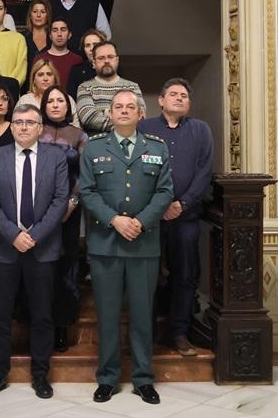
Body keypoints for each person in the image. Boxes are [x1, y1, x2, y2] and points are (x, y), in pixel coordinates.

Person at [79, 90, 173, 405]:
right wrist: (115, 220)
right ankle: (107, 379)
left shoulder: (157, 148)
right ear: (110, 114)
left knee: (143, 315)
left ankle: (144, 379)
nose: (123, 111)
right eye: (117, 107)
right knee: (107, 316)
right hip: (106, 244)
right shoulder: (93, 149)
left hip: (143, 244)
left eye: (129, 107)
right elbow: (88, 193)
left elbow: (164, 192)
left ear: (140, 114)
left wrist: (140, 222)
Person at [0, 104, 68, 400]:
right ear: (12, 126)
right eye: (18, 122)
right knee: (0, 316)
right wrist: (14, 235)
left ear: (40, 128)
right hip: (4, 248)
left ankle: (40, 374)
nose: (23, 127)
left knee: (42, 315)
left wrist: (34, 235)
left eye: (30, 122)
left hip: (42, 249)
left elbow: (60, 200)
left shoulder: (56, 157)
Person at [138, 78, 213, 356]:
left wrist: (182, 203)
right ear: (160, 100)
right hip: (150, 218)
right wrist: (158, 206)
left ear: (189, 103)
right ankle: (146, 334)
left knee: (185, 275)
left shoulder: (201, 131)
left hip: (186, 217)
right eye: (173, 94)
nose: (179, 98)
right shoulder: (144, 128)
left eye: (184, 95)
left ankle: (179, 332)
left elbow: (204, 172)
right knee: (147, 275)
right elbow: (136, 169)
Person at [38, 85, 88, 352]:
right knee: (39, 267)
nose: (56, 105)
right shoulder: (35, 130)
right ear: (43, 105)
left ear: (68, 106)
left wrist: (72, 201)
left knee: (65, 268)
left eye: (60, 100)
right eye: (50, 101)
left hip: (69, 210)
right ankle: (37, 323)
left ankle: (62, 327)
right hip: (37, 211)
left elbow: (85, 172)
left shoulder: (79, 134)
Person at [76, 41, 142, 136]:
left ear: (117, 60)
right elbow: (88, 117)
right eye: (101, 58)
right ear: (93, 63)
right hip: (97, 144)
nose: (106, 61)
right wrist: (122, 125)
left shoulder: (132, 87)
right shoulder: (84, 87)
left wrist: (104, 111)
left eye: (110, 57)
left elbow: (140, 115)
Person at [17, 58, 79, 127]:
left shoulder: (67, 99)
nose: (45, 79)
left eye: (49, 74)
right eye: (40, 75)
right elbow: (17, 127)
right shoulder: (25, 101)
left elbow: (76, 129)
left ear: (55, 78)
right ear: (33, 80)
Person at [32, 17, 83, 89]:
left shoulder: (77, 59)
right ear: (50, 35)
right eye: (55, 30)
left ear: (69, 35)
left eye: (63, 30)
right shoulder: (39, 59)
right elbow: (34, 87)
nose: (59, 34)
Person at [66, 28, 107, 100]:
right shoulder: (76, 70)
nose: (91, 48)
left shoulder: (112, 68)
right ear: (84, 49)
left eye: (95, 44)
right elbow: (71, 99)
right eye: (87, 45)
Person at [22, 0, 52, 93]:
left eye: (43, 12)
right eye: (35, 11)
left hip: (49, 86)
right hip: (26, 87)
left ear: (47, 16)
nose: (38, 15)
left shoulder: (53, 37)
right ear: (30, 15)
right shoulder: (22, 37)